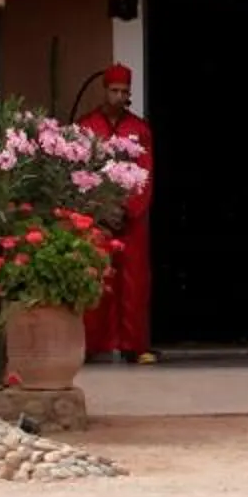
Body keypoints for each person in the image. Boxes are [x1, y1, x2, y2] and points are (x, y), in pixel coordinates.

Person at [78, 64, 157, 365]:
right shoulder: (87, 127)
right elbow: (79, 172)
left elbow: (146, 173)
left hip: (131, 218)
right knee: (97, 277)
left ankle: (133, 345)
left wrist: (129, 209)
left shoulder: (139, 129)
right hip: (97, 217)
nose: (119, 96)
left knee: (135, 281)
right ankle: (91, 344)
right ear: (105, 90)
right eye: (115, 91)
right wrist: (99, 210)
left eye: (125, 92)